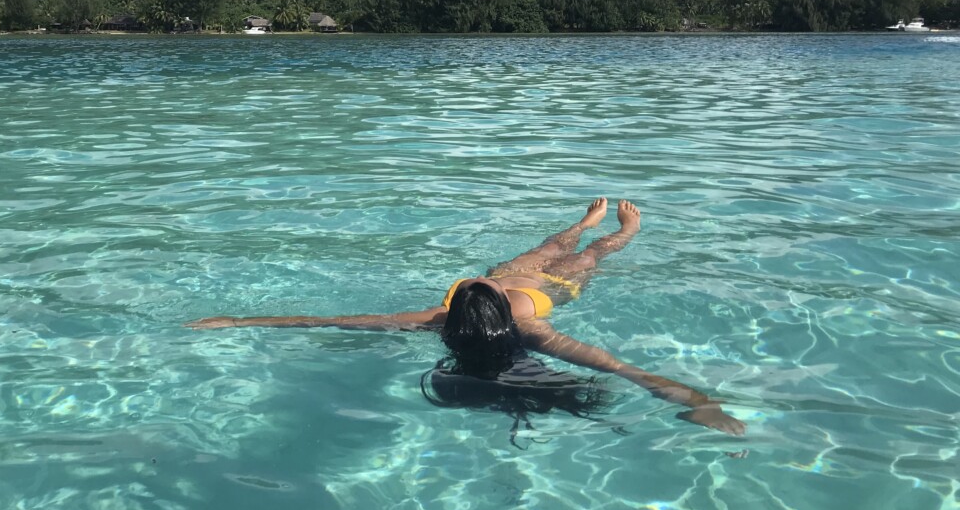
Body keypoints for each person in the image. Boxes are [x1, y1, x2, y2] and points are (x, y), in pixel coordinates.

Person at [187, 198, 746, 435]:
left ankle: (585, 218)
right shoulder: (531, 327)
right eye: (478, 284)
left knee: (552, 239)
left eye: (472, 284)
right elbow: (623, 370)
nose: (477, 279)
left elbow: (336, 319)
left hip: (521, 275)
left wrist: (239, 323)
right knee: (582, 255)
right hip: (555, 287)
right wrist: (701, 402)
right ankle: (621, 233)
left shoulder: (442, 315)